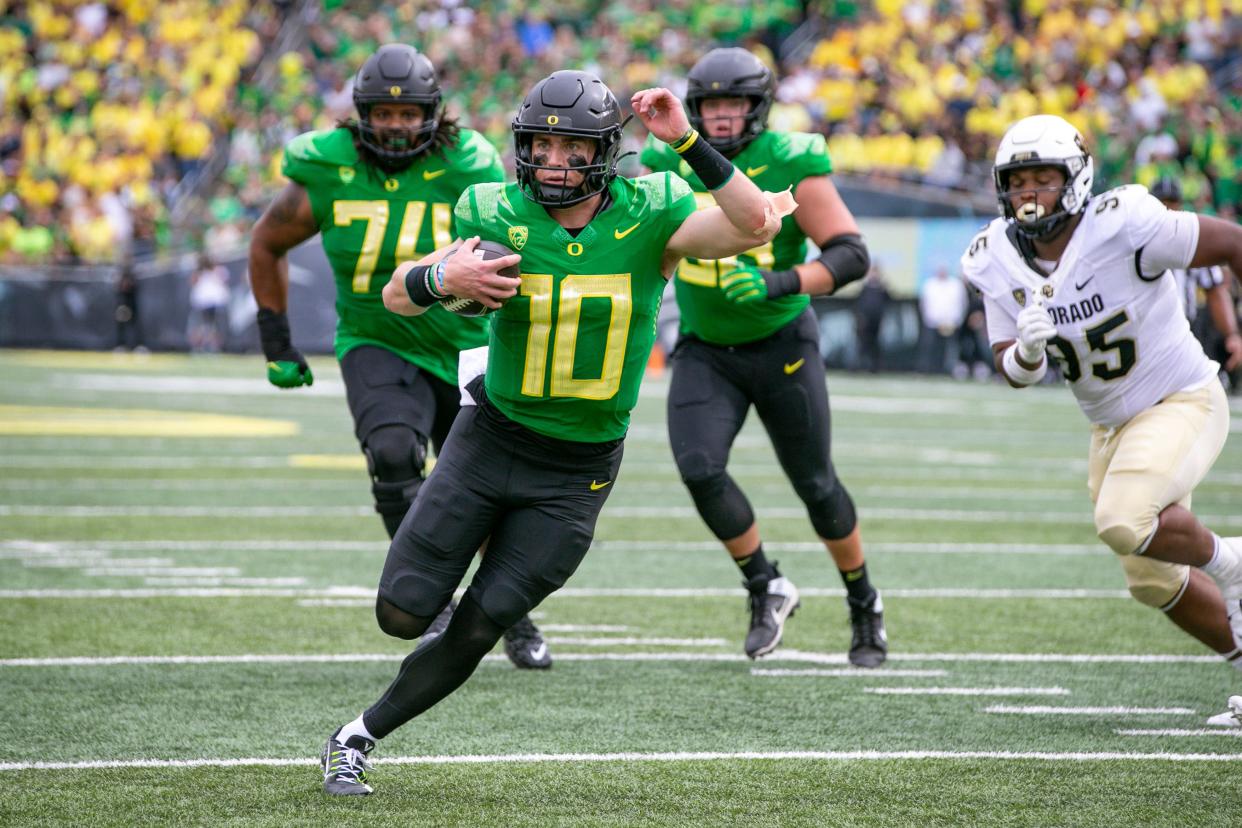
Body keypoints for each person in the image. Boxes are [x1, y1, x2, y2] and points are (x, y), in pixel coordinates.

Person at [319, 69, 782, 796]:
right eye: (541, 145)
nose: (553, 162)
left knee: (478, 624)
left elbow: (757, 223)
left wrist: (687, 141)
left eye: (571, 149)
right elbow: (394, 293)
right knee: (402, 613)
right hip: (490, 439)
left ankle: (356, 738)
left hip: (578, 473)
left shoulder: (651, 211)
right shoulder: (494, 210)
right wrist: (443, 281)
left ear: (603, 152)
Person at [247, 43, 550, 669]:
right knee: (391, 453)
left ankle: (507, 610)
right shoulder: (326, 165)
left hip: (463, 346)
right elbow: (266, 241)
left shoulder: (469, 164)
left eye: (407, 113)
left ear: (432, 113)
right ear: (360, 114)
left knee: (482, 492)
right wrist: (276, 341)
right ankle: (434, 603)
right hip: (375, 336)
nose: (393, 125)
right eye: (382, 115)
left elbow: (513, 241)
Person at [961, 114, 1242, 715]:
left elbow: (1234, 243)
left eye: (1044, 178)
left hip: (1180, 398)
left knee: (1122, 518)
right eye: (1018, 182)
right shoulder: (993, 258)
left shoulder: (1126, 225)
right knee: (1154, 581)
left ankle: (1234, 563)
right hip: (1111, 426)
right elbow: (1015, 371)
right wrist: (1028, 352)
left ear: (1077, 178)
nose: (1031, 194)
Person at [640, 47, 885, 666]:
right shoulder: (658, 159)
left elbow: (852, 255)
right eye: (712, 106)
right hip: (703, 346)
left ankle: (863, 603)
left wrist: (780, 284)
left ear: (759, 107)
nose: (722, 118)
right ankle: (764, 584)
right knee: (698, 468)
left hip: (781, 345)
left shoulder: (791, 158)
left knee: (815, 484)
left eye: (735, 104)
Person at [1148, 176, 1242, 384]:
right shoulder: (1139, 240)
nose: (1168, 210)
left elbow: (1216, 291)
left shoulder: (1191, 243)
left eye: (1172, 204)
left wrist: (1232, 335)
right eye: (1162, 204)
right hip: (1146, 334)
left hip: (1185, 330)